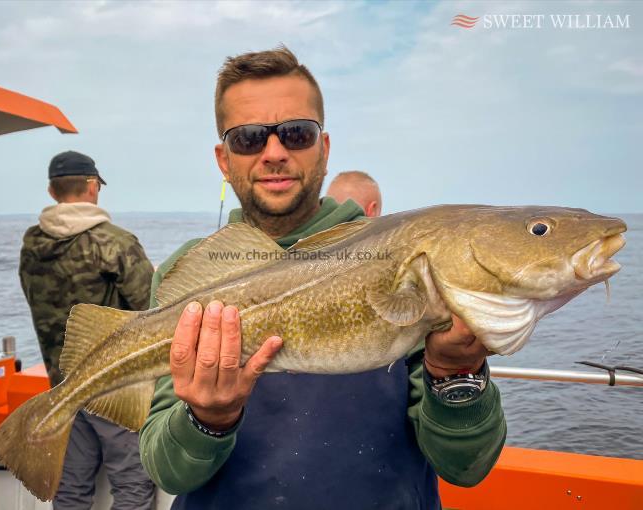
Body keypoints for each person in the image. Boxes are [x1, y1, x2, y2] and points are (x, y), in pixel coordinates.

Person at [140, 47, 506, 510]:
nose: (274, 153)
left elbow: (466, 467)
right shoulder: (186, 275)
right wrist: (207, 419)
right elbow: (167, 471)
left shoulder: (405, 261)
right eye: (249, 138)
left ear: (324, 148)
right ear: (223, 158)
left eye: (296, 133)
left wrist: (457, 375)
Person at [19, 151, 156, 510]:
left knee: (70, 488)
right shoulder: (115, 242)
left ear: (52, 191)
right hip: (114, 387)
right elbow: (153, 310)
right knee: (131, 484)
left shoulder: (31, 246)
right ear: (93, 187)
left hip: (62, 386)